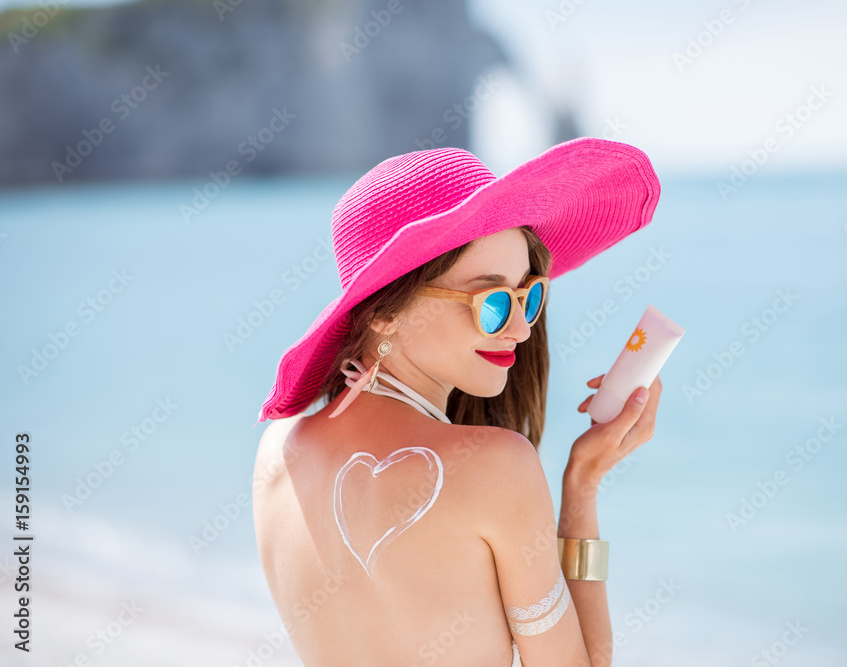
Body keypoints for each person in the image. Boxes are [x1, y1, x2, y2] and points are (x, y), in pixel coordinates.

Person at [252, 136, 664, 666]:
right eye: (490, 301)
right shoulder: (497, 466)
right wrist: (583, 483)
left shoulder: (275, 452)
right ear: (384, 309)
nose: (519, 327)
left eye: (528, 294)